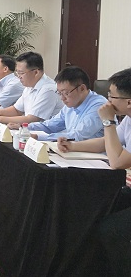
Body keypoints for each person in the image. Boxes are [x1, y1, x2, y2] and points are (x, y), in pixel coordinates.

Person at [57, 68, 131, 276]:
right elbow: (105, 142)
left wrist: (108, 121)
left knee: (112, 228)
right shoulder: (128, 118)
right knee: (96, 205)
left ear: (128, 102)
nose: (107, 101)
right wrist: (73, 146)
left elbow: (117, 162)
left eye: (111, 96)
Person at [26, 66, 106, 140]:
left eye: (66, 93)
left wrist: (38, 137)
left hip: (92, 151)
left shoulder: (99, 106)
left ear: (82, 88)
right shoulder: (71, 104)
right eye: (60, 93)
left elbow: (78, 136)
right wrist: (25, 127)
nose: (62, 98)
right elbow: (51, 125)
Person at [0, 52, 63, 125]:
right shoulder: (29, 85)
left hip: (44, 131)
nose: (19, 76)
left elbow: (32, 119)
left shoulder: (48, 90)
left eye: (21, 73)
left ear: (36, 72)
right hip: (29, 129)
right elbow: (16, 110)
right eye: (17, 73)